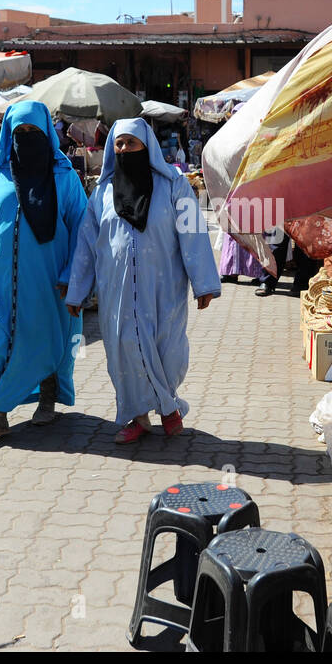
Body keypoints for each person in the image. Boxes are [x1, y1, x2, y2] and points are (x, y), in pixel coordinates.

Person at [66, 118, 220, 444]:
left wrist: (203, 282)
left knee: (168, 348)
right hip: (116, 291)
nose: (124, 149)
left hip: (164, 287)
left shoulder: (173, 186)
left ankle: (166, 403)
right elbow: (86, 246)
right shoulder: (102, 194)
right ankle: (141, 416)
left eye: (131, 144)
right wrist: (77, 291)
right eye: (119, 144)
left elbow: (193, 231)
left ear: (146, 147)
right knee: (123, 351)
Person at [0, 101, 87, 440]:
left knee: (41, 339)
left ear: (47, 135)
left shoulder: (65, 178)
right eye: (20, 132)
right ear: (9, 135)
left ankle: (47, 399)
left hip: (45, 281)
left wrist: (71, 275)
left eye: (34, 132)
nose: (27, 138)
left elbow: (82, 230)